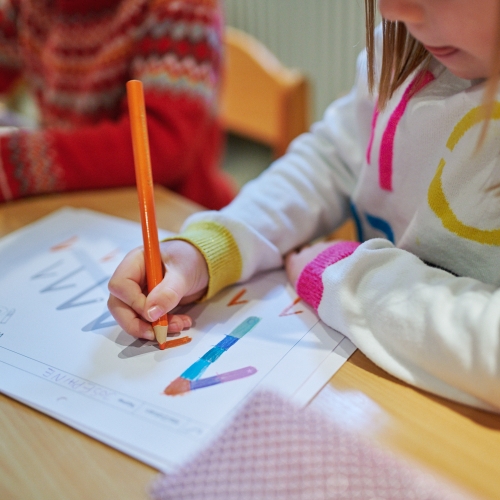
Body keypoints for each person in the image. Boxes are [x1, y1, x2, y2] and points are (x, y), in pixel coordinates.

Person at [107, 0, 500, 412]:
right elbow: (332, 160)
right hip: (375, 387)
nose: (392, 9)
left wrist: (344, 277)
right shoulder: (404, 47)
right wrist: (210, 248)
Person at [0, 0, 236, 210]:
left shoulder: (180, 5)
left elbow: (162, 145)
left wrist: (17, 161)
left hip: (176, 217)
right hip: (75, 205)